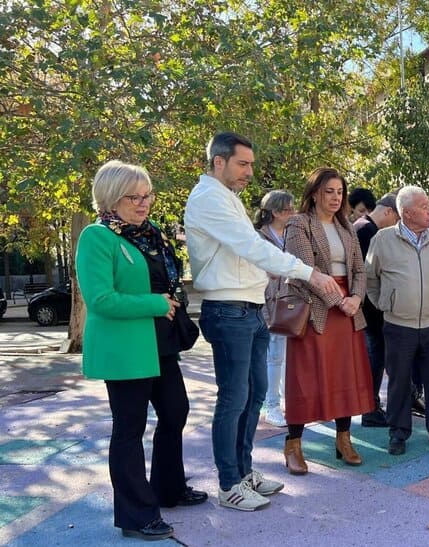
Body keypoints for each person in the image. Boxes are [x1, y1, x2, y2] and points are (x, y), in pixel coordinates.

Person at [184, 132, 339, 511]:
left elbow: (247, 254)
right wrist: (310, 273)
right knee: (234, 398)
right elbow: (252, 247)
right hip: (228, 310)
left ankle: (243, 471)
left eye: (251, 164)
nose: (250, 172)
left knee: (254, 396)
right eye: (243, 164)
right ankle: (228, 484)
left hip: (251, 309)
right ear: (218, 162)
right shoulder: (207, 198)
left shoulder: (228, 197)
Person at [76, 160, 207, 541]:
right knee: (129, 429)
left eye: (147, 195)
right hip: (125, 349)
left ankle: (169, 488)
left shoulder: (151, 235)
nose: (143, 202)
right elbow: (100, 299)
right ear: (110, 198)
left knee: (176, 411)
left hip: (159, 343)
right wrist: (154, 303)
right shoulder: (97, 237)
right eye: (133, 197)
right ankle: (136, 515)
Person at [281, 167, 375, 474]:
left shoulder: (346, 225)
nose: (335, 198)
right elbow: (304, 270)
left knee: (345, 375)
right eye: (328, 192)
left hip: (348, 308)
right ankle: (293, 444)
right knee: (305, 377)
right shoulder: (299, 223)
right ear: (314, 194)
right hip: (314, 309)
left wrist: (356, 298)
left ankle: (343, 439)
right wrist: (340, 301)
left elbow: (359, 269)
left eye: (339, 192)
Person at [365, 185, 429, 456]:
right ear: (406, 213)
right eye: (424, 206)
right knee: (399, 381)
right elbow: (370, 278)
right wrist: (386, 303)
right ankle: (398, 433)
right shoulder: (382, 239)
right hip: (398, 325)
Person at [353, 193, 401, 427]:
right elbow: (368, 271)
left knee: (376, 356)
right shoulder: (366, 230)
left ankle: (371, 405)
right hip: (370, 307)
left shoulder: (363, 227)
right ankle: (369, 408)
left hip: (369, 305)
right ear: (389, 211)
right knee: (375, 356)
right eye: (397, 219)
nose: (396, 225)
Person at [254, 189, 297, 427]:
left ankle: (288, 402)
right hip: (267, 301)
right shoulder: (258, 237)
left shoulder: (293, 234)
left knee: (288, 355)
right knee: (274, 356)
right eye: (288, 209)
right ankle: (272, 405)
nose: (293, 213)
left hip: (291, 300)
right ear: (276, 212)